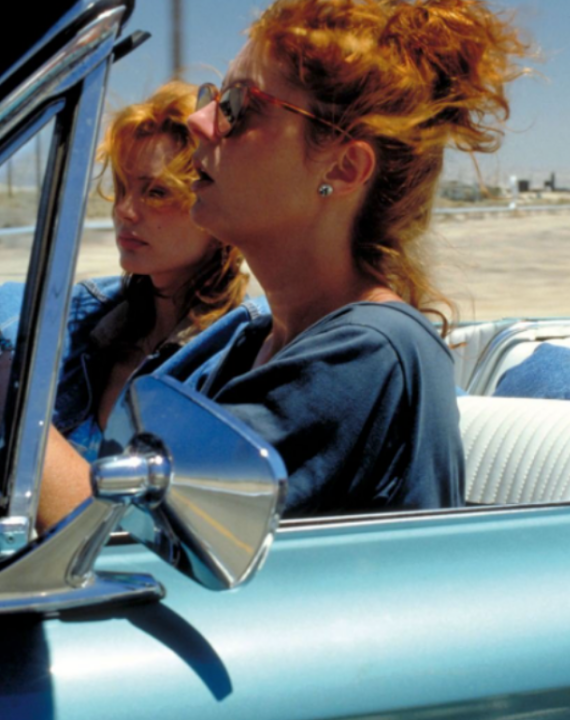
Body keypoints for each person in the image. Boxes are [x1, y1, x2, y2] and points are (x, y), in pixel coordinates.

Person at [171, 0, 529, 518]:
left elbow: (145, 535)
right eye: (213, 97)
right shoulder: (250, 341)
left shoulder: (369, 354)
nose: (198, 120)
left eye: (238, 105)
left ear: (342, 168)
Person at [19, 81, 258, 529]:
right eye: (123, 187)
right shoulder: (88, 314)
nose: (125, 211)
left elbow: (140, 540)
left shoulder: (238, 356)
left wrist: (19, 415)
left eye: (156, 192)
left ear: (213, 197)